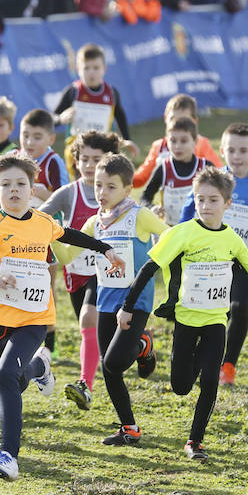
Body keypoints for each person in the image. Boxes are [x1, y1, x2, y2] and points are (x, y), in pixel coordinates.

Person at [0, 154, 124, 479]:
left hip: (35, 317)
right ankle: (40, 366)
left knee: (3, 378)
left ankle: (8, 457)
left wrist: (104, 249)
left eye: (21, 184)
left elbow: (70, 235)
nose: (14, 190)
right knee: (15, 382)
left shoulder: (42, 223)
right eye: (6, 185)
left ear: (33, 191)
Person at [119, 167, 248, 460]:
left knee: (210, 381)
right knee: (180, 386)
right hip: (186, 320)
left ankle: (195, 441)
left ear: (227, 204)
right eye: (200, 199)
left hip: (216, 319)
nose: (205, 206)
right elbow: (148, 269)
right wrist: (128, 307)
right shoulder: (182, 234)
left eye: (213, 200)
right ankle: (164, 353)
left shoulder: (232, 240)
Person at [60, 153, 167, 444]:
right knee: (110, 369)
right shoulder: (95, 223)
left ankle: (143, 344)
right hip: (105, 300)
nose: (101, 193)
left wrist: (159, 258)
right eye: (97, 186)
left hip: (136, 301)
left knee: (113, 364)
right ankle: (129, 428)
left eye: (110, 186)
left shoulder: (140, 216)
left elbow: (170, 238)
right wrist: (50, 238)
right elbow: (69, 253)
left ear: (127, 190)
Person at [181, 123, 248, 386]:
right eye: (231, 150)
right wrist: (182, 238)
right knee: (214, 312)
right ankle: (203, 359)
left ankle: (228, 366)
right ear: (221, 151)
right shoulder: (212, 180)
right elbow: (187, 208)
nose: (237, 156)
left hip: (244, 261)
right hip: (211, 261)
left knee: (239, 308)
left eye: (243, 150)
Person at [43, 131, 121, 409]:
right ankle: (141, 342)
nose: (89, 165)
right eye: (83, 159)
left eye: (96, 160)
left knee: (89, 319)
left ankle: (85, 385)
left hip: (107, 273)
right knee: (98, 333)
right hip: (75, 274)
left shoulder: (117, 194)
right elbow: (41, 216)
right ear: (75, 160)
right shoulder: (68, 194)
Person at [52, 44, 137, 154]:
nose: (91, 72)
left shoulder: (111, 93)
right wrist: (60, 119)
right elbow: (51, 118)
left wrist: (127, 139)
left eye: (96, 68)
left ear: (104, 69)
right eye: (86, 68)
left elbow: (120, 116)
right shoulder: (73, 92)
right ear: (78, 69)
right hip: (77, 150)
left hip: (104, 148)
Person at [132, 94, 221, 189]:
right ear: (165, 118)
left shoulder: (201, 143)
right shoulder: (159, 146)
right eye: (173, 119)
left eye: (184, 120)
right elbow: (139, 180)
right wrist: (118, 163)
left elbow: (221, 176)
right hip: (169, 204)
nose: (178, 124)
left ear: (194, 121)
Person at [140, 117, 210, 226]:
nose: (177, 146)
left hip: (200, 232)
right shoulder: (163, 169)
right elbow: (144, 197)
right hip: (171, 231)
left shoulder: (206, 167)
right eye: (173, 141)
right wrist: (152, 208)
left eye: (183, 141)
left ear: (195, 141)